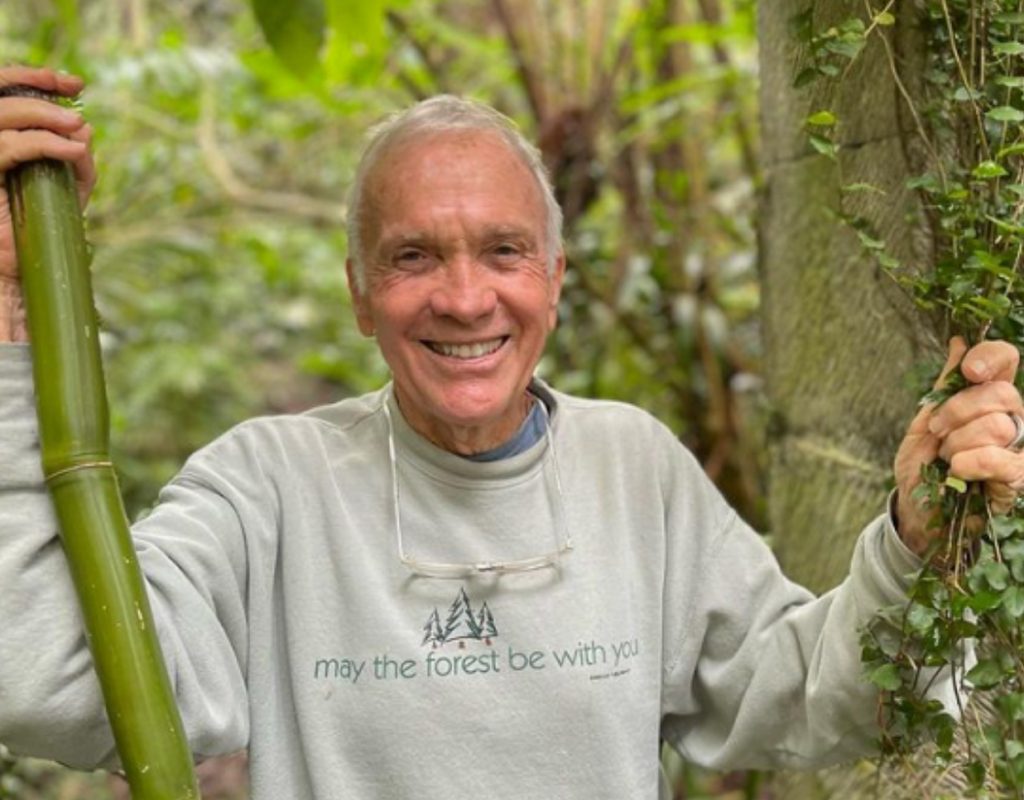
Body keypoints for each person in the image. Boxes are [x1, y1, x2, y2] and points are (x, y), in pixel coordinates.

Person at [1, 65, 1023, 799]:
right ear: (358, 293)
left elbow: (805, 697)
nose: (463, 297)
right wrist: (10, 310)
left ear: (554, 279)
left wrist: (916, 542)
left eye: (502, 251)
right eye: (412, 257)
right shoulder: (267, 485)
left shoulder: (632, 467)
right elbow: (45, 675)